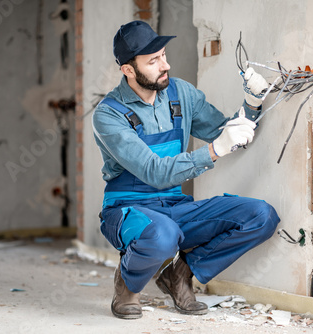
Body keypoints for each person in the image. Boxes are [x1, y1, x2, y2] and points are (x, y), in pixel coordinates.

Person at [92, 20, 280, 320]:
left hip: (175, 207)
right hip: (128, 210)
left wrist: (252, 103)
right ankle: (127, 286)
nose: (165, 65)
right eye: (153, 61)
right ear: (128, 70)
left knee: (261, 216)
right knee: (162, 236)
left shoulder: (181, 93)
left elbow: (222, 131)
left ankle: (179, 275)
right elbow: (154, 171)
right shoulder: (109, 115)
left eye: (164, 55)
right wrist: (214, 150)